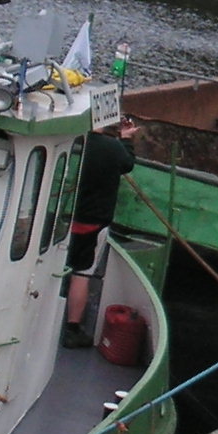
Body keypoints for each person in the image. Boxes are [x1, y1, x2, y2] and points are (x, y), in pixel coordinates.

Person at [62, 117, 139, 346]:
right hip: (94, 221)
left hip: (64, 216)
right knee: (82, 273)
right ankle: (72, 329)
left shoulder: (74, 142)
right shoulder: (111, 148)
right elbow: (127, 164)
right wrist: (126, 139)